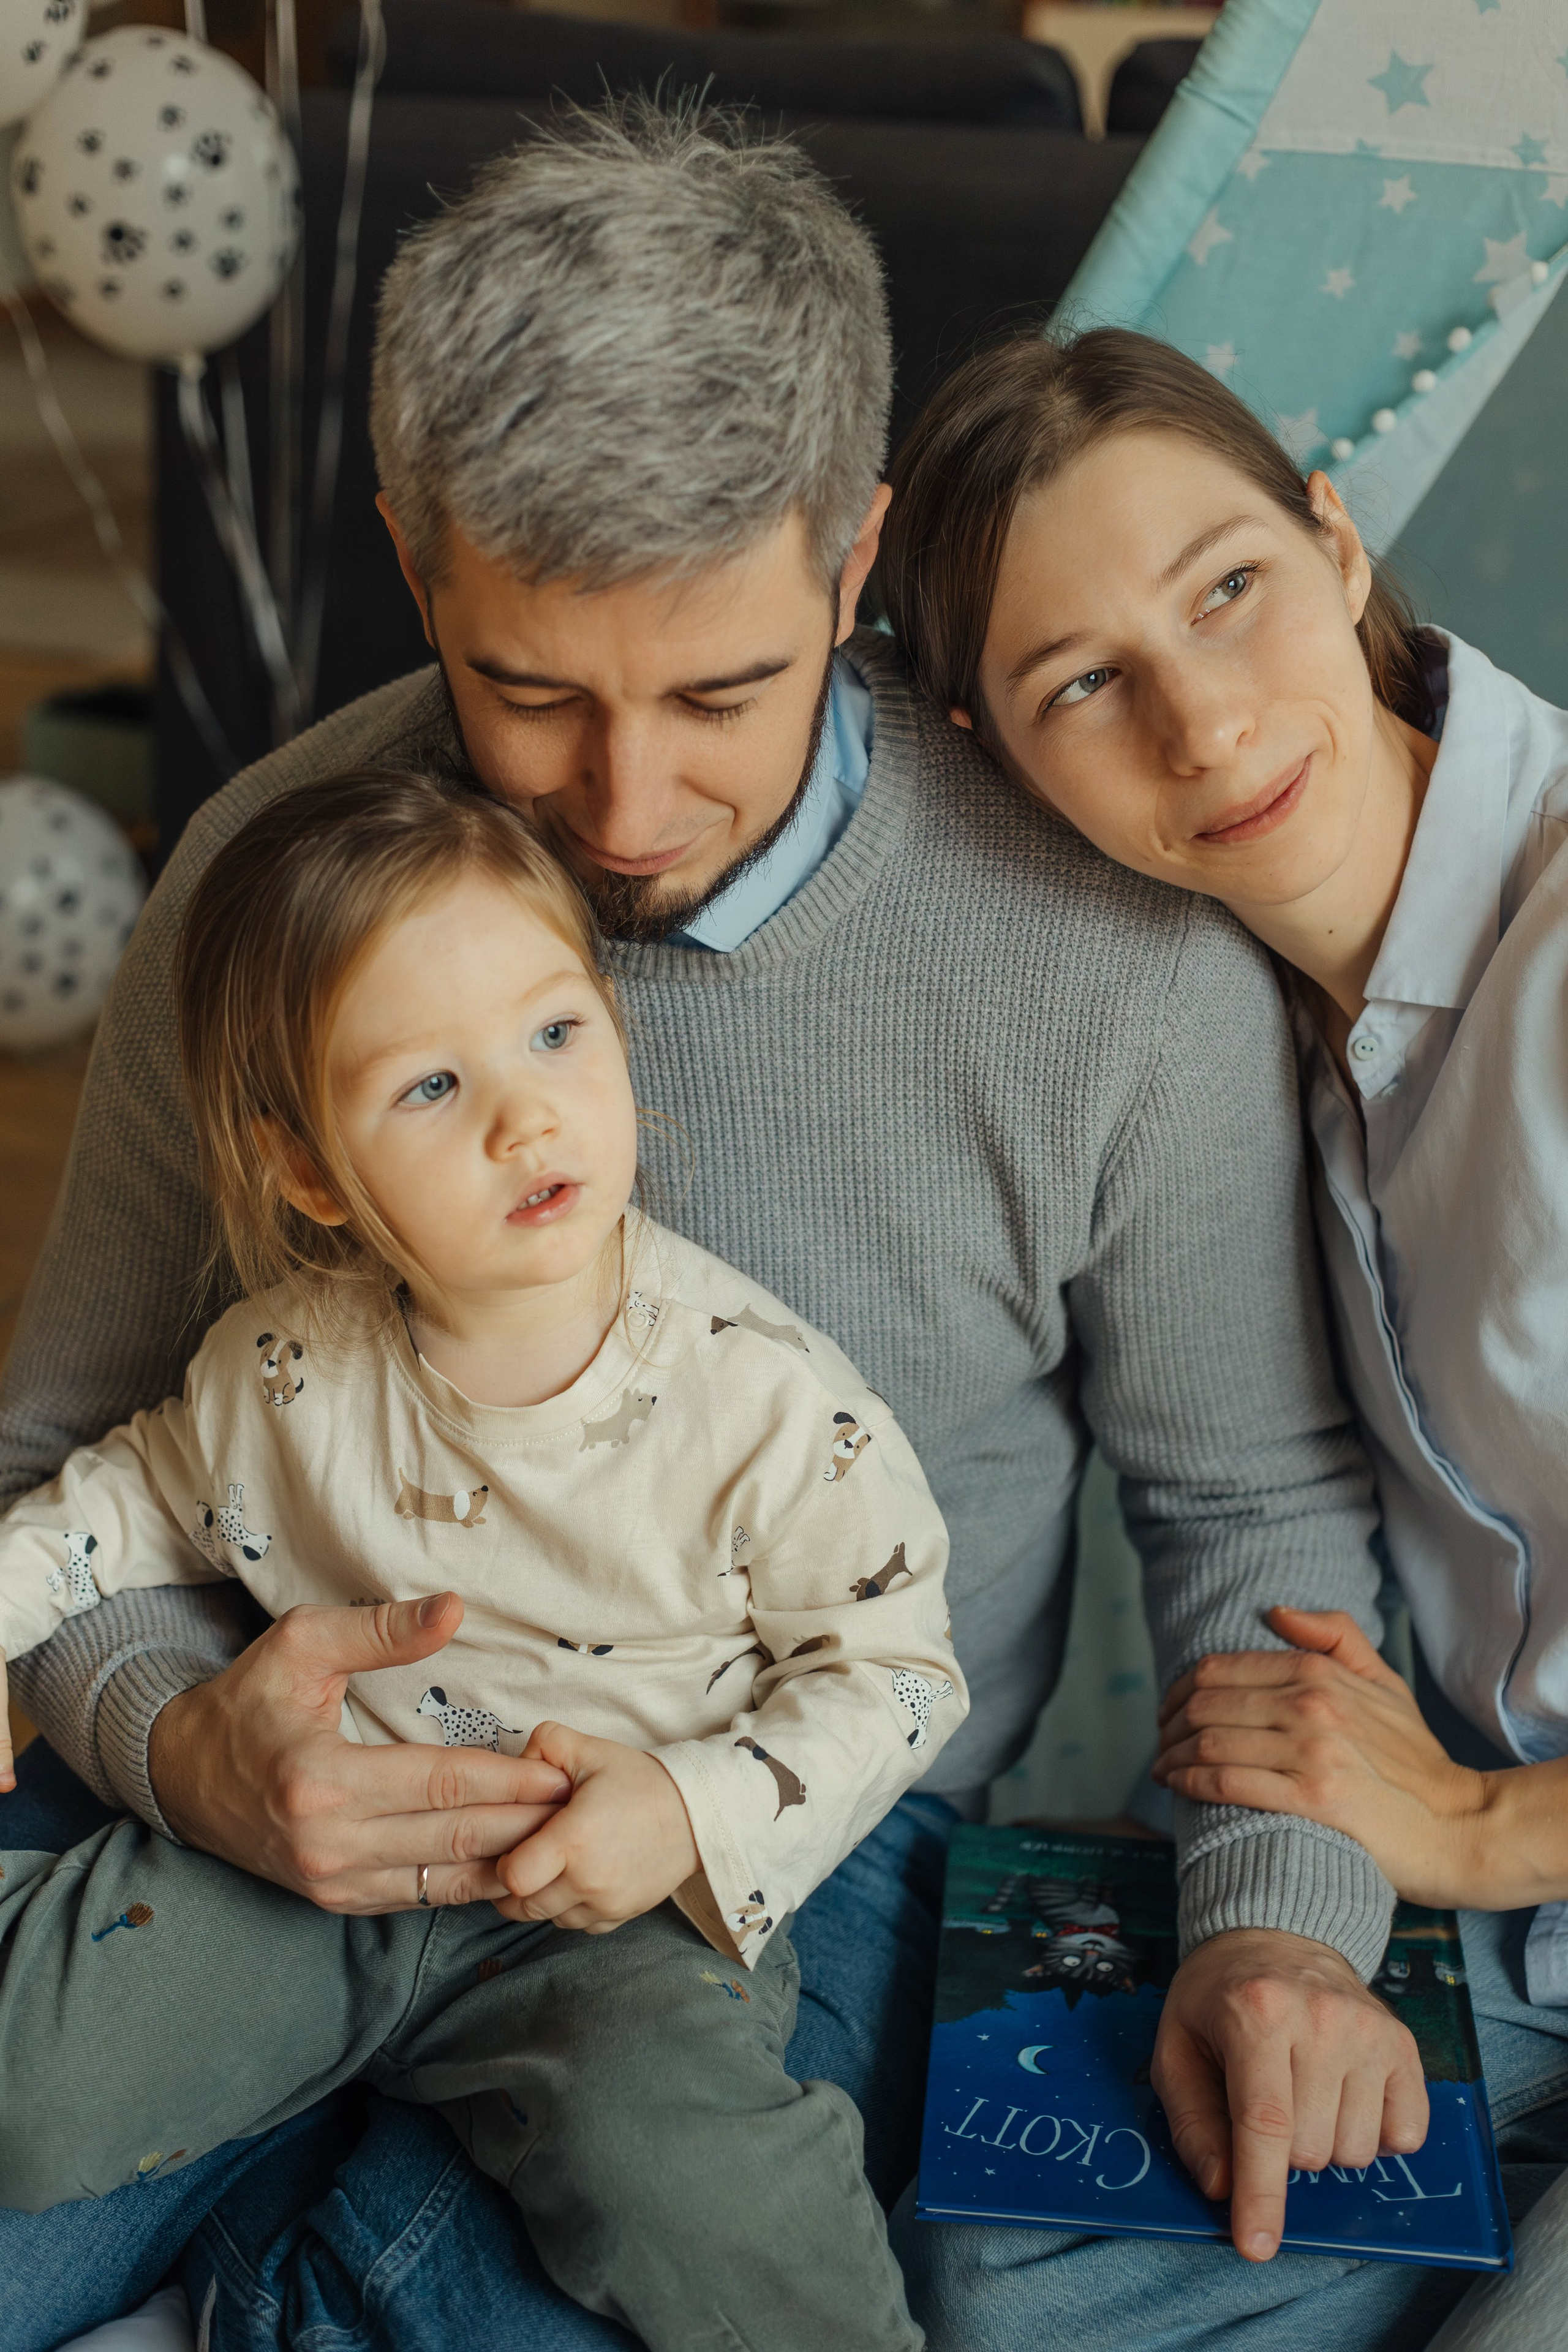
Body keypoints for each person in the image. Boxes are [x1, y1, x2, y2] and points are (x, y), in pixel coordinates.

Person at [1, 105, 1407, 2351]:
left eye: (722, 696)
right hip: (271, 1783)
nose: (624, 814)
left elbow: (1250, 1494)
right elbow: (55, 1454)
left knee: (471, 2307)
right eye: (528, 694)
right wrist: (184, 1744)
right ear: (412, 555)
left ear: (853, 560)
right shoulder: (271, 878)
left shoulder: (1109, 956)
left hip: (787, 1836)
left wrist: (1278, 1927)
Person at [0, 769, 956, 2352]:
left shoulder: (764, 1404)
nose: (525, 1113)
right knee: (35, 2087)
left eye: (556, 1034)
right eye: (428, 1089)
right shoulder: (283, 1374)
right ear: (310, 1169)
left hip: (613, 1912)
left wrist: (688, 1815)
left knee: (699, 2196)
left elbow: (900, 1674)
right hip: (317, 1864)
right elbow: (119, 1506)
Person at [879, 321, 1568, 2351]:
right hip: (1508, 1949)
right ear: (991, 761)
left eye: (1231, 592)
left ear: (1339, 547)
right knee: (1004, 2264)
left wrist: (1476, 1824)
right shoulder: (1228, 1035)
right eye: (1081, 684)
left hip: (1509, 1854)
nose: (1199, 726)